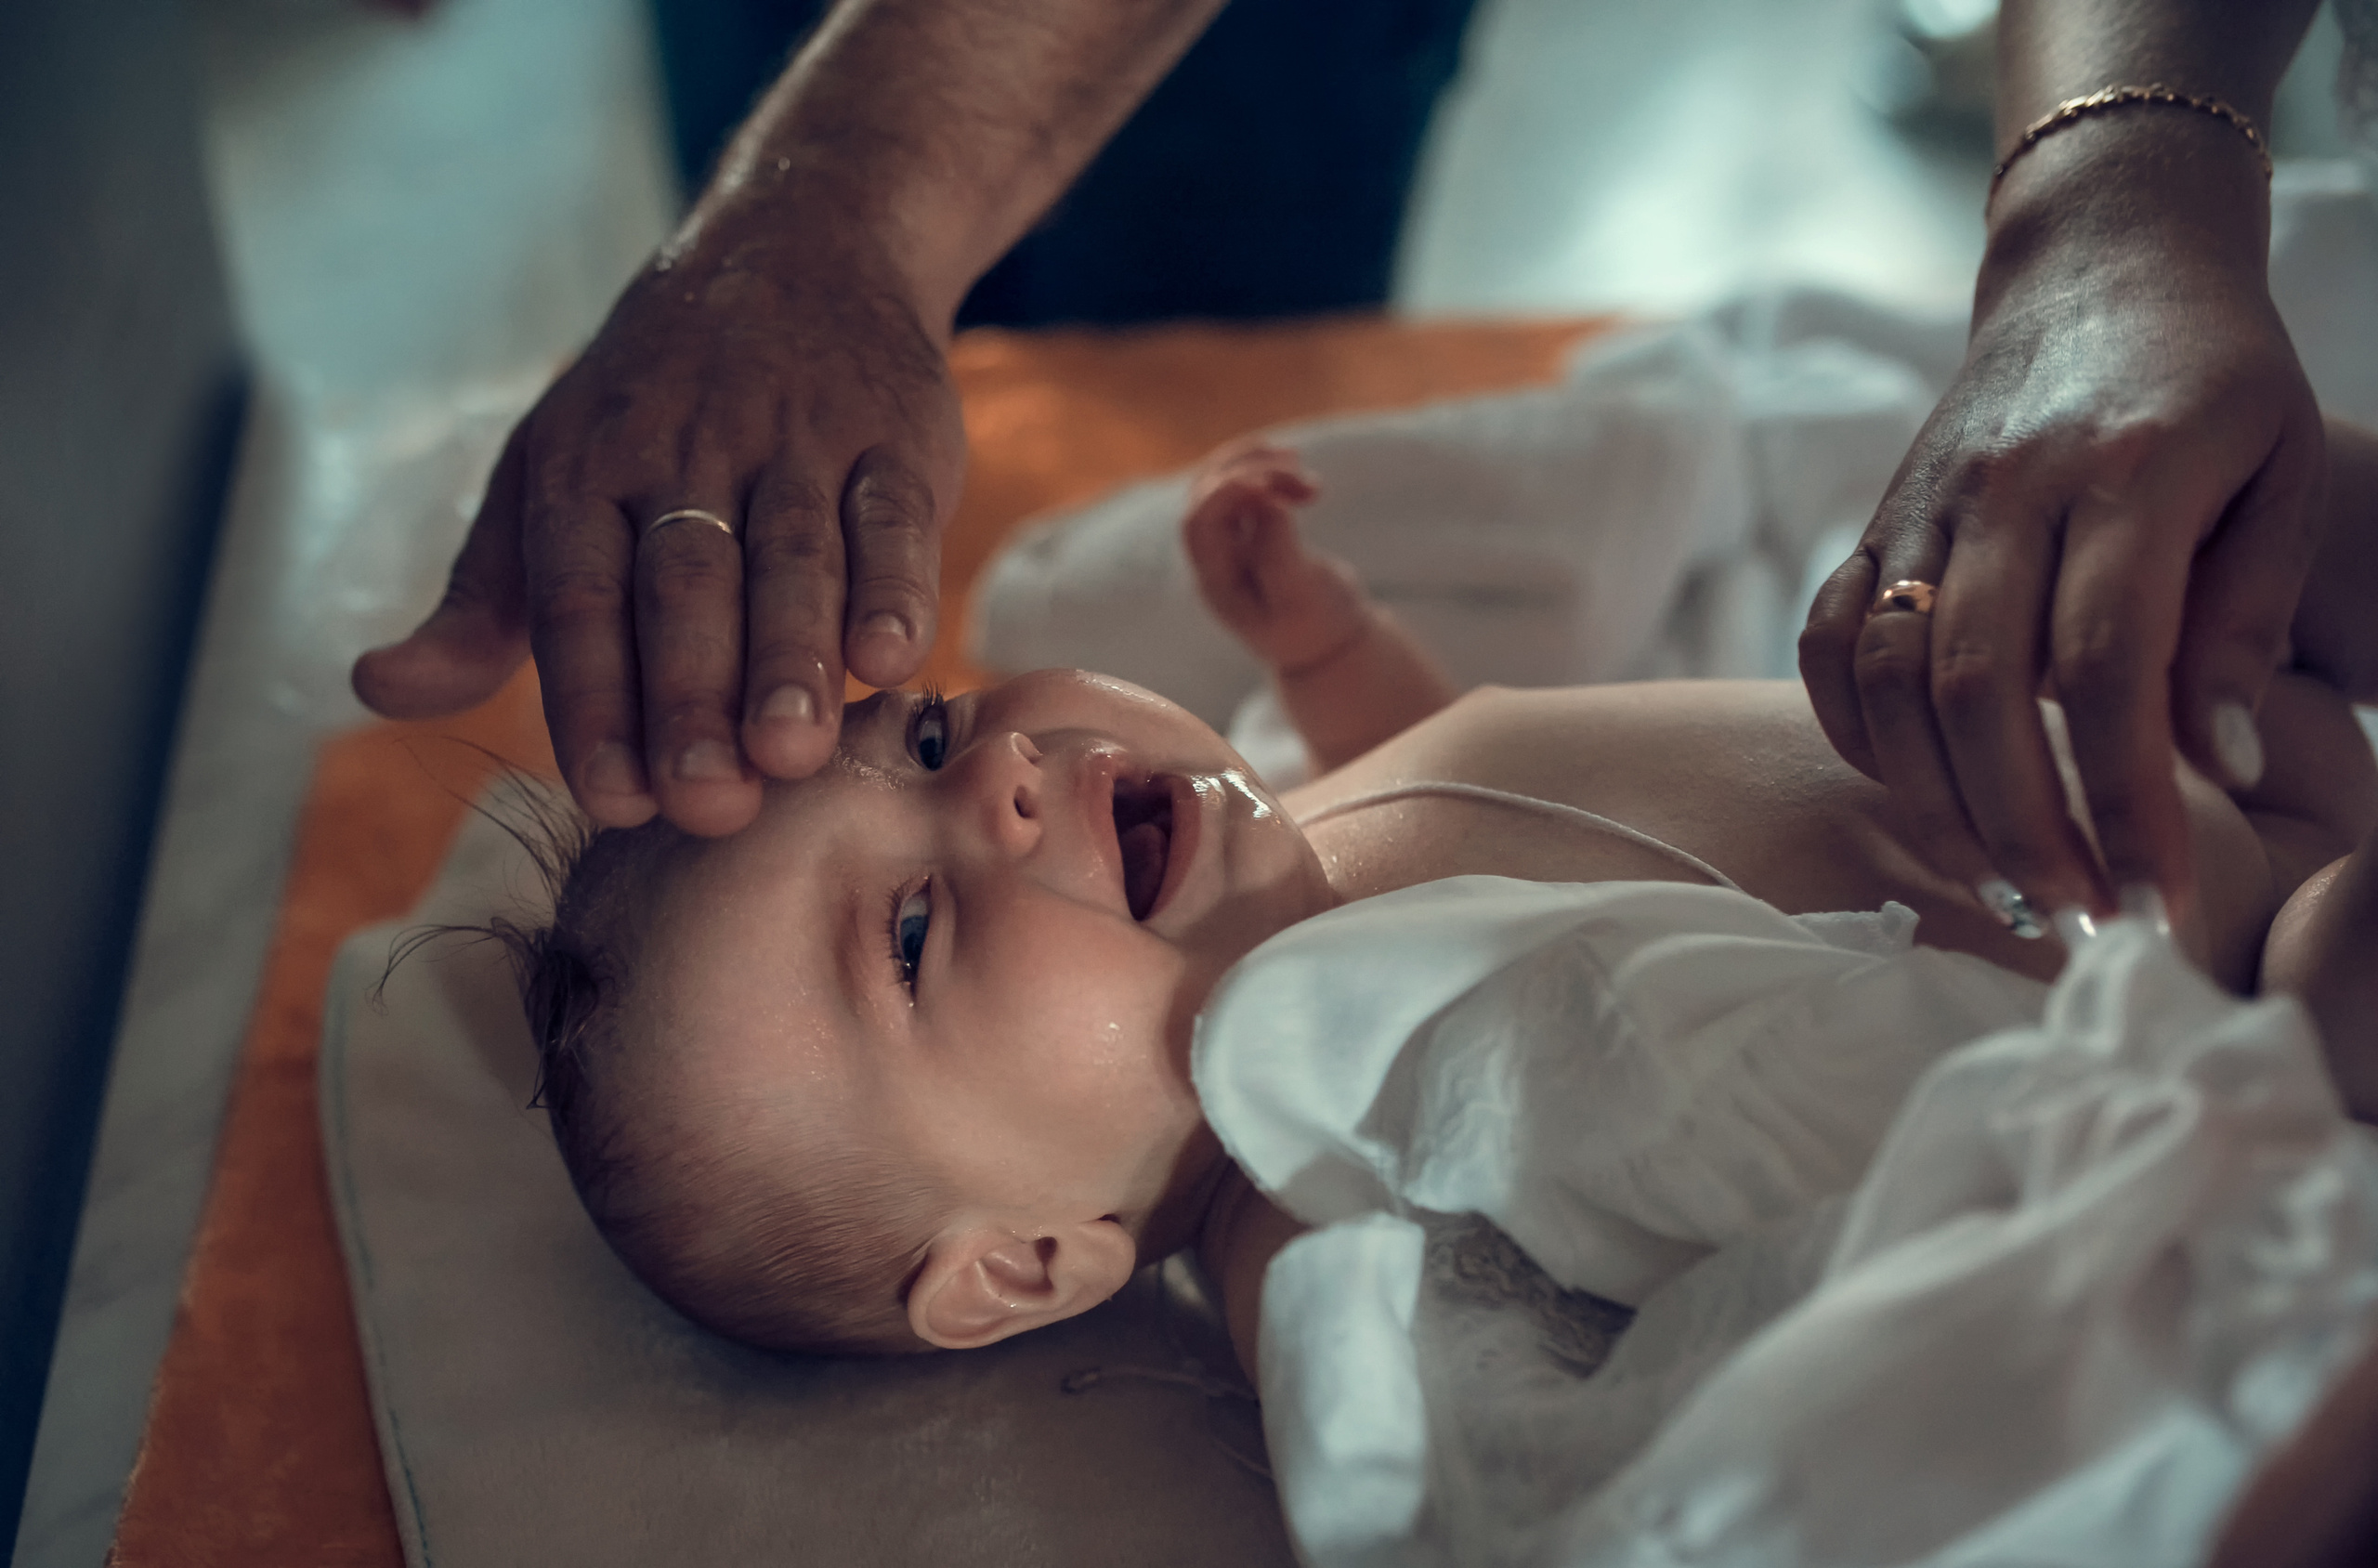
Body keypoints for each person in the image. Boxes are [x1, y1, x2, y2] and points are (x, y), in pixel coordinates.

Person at [485, 423, 2378, 1373]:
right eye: (907, 933)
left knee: (2216, 493)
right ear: (1030, 1259)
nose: (993, 778)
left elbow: (1436, 766)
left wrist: (1323, 648)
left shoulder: (1272, 842)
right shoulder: (1323, 1218)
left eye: (922, 736)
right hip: (2218, 995)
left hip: (2153, 740)